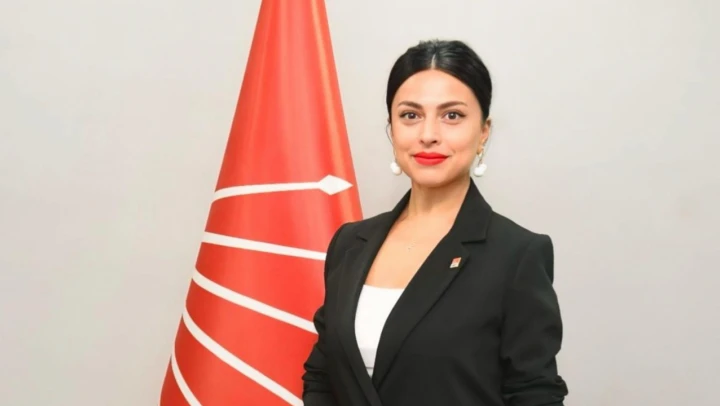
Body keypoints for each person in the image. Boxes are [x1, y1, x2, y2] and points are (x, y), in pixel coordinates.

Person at [302, 39, 568, 406]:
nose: (428, 134)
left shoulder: (517, 255)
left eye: (452, 115)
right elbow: (321, 375)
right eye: (410, 115)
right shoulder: (350, 243)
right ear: (391, 129)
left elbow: (534, 394)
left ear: (484, 131)